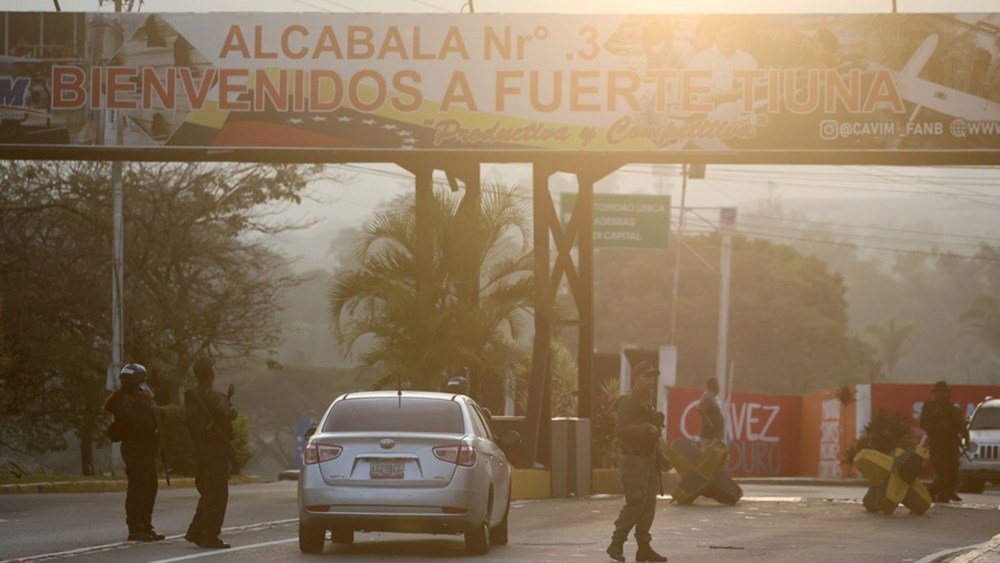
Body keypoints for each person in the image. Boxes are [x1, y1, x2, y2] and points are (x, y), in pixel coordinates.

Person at [606, 361, 668, 563]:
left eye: (652, 377)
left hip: (648, 459)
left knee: (648, 505)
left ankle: (644, 548)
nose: (650, 381)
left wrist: (660, 455)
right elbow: (621, 430)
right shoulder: (628, 400)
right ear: (636, 378)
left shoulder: (646, 401)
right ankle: (616, 543)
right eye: (646, 376)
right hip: (633, 459)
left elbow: (652, 432)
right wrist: (645, 428)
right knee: (636, 502)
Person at [103, 363, 164, 542]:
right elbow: (139, 424)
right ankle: (136, 527)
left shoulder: (137, 397)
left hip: (145, 448)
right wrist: (148, 403)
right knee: (139, 488)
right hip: (136, 448)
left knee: (150, 487)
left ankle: (145, 525)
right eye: (141, 380)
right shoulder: (126, 400)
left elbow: (155, 415)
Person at [184, 357, 238, 549]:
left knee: (207, 492)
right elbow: (231, 414)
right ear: (210, 374)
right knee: (217, 494)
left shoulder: (191, 395)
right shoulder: (214, 394)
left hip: (200, 450)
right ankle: (210, 536)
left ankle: (196, 531)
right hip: (215, 450)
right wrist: (228, 401)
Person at [919, 380, 969, 503]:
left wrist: (966, 437)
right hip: (937, 442)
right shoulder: (929, 406)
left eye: (945, 392)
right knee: (942, 470)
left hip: (951, 443)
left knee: (952, 469)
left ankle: (934, 492)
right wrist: (938, 427)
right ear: (936, 393)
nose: (943, 395)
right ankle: (944, 495)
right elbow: (923, 423)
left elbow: (961, 425)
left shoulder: (952, 409)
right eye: (940, 392)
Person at [697, 377, 725, 449]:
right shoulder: (708, 396)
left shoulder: (713, 397)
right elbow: (699, 408)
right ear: (715, 385)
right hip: (709, 434)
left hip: (714, 435)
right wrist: (708, 422)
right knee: (709, 456)